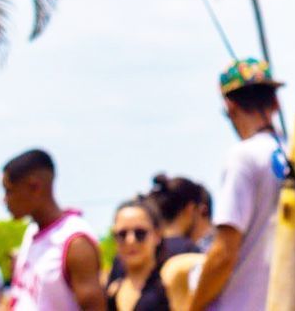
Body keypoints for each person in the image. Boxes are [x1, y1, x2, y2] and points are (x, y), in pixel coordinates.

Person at [184, 58, 285, 310]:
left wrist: (192, 306)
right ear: (275, 102)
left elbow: (224, 255)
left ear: (230, 106)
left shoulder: (244, 157)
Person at [2, 149, 105, 310]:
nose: (5, 200)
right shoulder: (32, 233)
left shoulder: (74, 242)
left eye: (9, 191)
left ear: (34, 186)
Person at [106, 198, 169, 311]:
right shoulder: (112, 292)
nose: (130, 240)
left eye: (140, 233)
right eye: (122, 234)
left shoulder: (170, 285)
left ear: (157, 235)